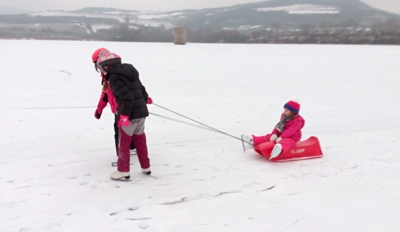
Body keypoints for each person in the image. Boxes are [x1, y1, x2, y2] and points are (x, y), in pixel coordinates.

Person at [96, 50, 151, 180]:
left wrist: (124, 116)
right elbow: (141, 89)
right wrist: (146, 99)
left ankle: (123, 170)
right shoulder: (130, 71)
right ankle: (146, 167)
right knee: (140, 141)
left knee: (124, 144)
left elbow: (127, 98)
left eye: (101, 68)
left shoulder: (114, 77)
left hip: (129, 115)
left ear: (107, 67)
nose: (102, 72)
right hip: (141, 114)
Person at [92, 48, 138, 157]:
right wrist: (99, 110)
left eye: (97, 65)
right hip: (122, 109)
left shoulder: (114, 77)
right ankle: (130, 150)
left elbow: (133, 89)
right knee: (126, 131)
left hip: (123, 109)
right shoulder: (107, 77)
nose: (98, 68)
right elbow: (105, 95)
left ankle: (122, 158)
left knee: (120, 134)